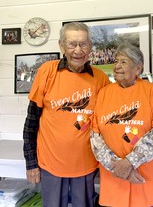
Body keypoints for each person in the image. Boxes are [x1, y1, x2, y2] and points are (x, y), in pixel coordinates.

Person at [23, 22, 110, 207]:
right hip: (50, 164)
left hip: (86, 165)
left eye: (83, 44)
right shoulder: (47, 71)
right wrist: (31, 163)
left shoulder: (101, 79)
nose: (78, 50)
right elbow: (31, 122)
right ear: (61, 46)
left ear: (90, 46)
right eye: (72, 44)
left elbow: (114, 114)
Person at [90, 43, 153, 207]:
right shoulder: (104, 93)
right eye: (116, 61)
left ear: (138, 68)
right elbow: (95, 137)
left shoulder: (151, 91)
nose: (117, 67)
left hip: (144, 177)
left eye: (124, 62)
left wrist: (129, 163)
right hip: (115, 177)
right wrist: (119, 169)